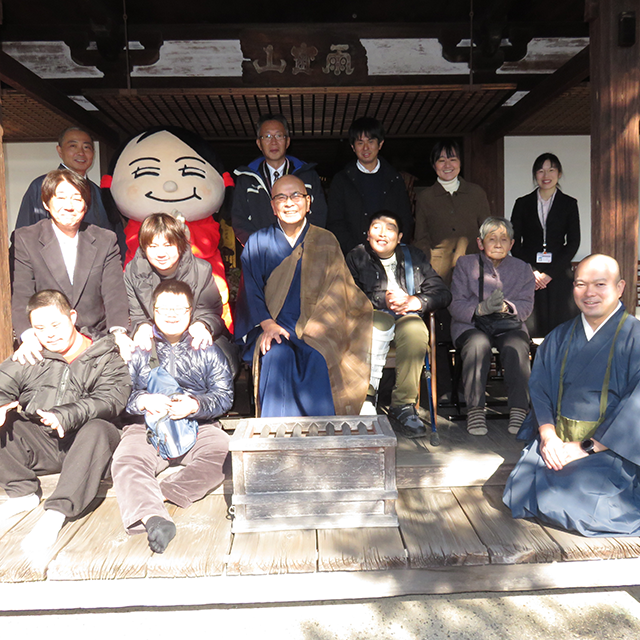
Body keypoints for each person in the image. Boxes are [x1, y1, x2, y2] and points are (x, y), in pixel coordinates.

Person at [503, 254, 640, 537]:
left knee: (576, 502)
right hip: (560, 442)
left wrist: (585, 447)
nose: (589, 293)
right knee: (522, 487)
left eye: (600, 284)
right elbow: (540, 388)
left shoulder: (635, 338)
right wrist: (548, 437)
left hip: (613, 449)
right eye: (580, 284)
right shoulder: (559, 336)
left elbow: (634, 409)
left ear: (620, 287)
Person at [0, 290, 130, 553]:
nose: (49, 334)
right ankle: (22, 492)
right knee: (6, 420)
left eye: (55, 325)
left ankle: (56, 513)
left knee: (99, 428)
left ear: (72, 317)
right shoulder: (32, 355)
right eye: (39, 328)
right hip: (45, 443)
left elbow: (111, 399)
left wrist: (65, 414)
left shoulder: (104, 355)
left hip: (87, 448)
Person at [235, 174, 372, 417]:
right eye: (281, 198)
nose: (289, 203)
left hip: (318, 326)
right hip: (272, 324)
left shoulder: (326, 241)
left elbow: (338, 293)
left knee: (318, 356)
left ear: (308, 203)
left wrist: (318, 328)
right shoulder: (258, 242)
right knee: (277, 355)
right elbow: (251, 291)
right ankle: (275, 434)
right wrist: (268, 325)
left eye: (296, 196)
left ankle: (321, 434)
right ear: (273, 207)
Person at [112, 280, 232, 554]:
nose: (171, 314)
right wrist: (143, 401)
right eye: (164, 308)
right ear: (153, 311)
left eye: (179, 308)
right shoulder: (139, 350)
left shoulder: (207, 348)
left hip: (198, 425)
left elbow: (224, 396)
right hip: (147, 426)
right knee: (126, 461)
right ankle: (153, 519)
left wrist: (195, 405)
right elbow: (118, 395)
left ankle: (164, 493)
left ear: (191, 311)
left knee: (225, 453)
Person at [346, 211, 451, 437]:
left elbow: (442, 293)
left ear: (400, 237)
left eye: (390, 229)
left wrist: (416, 301)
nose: (382, 233)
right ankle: (366, 396)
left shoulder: (414, 257)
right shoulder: (356, 256)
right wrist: (381, 299)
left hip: (406, 316)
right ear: (368, 234)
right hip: (372, 316)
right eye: (376, 227)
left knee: (415, 330)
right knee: (380, 321)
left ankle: (403, 405)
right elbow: (347, 295)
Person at [12, 169, 132, 364]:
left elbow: (114, 291)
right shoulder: (27, 239)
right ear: (46, 203)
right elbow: (22, 293)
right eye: (60, 198)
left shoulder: (105, 239)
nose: (69, 206)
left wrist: (119, 333)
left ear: (86, 205)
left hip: (95, 339)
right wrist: (28, 336)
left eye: (77, 199)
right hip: (47, 342)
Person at [449, 217, 535, 436]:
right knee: (478, 344)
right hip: (471, 324)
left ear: (512, 244)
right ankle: (475, 410)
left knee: (517, 346)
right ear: (480, 243)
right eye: (492, 239)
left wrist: (507, 307)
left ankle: (519, 409)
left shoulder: (522, 268)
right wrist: (480, 309)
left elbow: (526, 306)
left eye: (504, 239)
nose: (498, 244)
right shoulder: (465, 264)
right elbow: (455, 303)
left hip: (508, 325)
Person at [124, 213, 238, 375]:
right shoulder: (133, 271)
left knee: (218, 361)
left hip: (193, 332)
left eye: (168, 245)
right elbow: (134, 312)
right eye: (153, 246)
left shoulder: (201, 270)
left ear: (180, 244)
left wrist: (202, 324)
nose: (161, 253)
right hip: (155, 336)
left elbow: (211, 311)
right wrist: (141, 326)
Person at [14, 127, 126, 258]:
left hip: (98, 267)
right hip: (52, 265)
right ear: (60, 151)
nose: (81, 152)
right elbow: (25, 236)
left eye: (86, 147)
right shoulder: (41, 186)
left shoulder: (101, 194)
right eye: (73, 146)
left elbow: (116, 239)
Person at [511, 152, 580, 338]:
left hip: (558, 272)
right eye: (541, 171)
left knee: (561, 327)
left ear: (559, 173)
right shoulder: (522, 203)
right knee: (531, 328)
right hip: (529, 273)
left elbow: (573, 242)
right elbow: (514, 242)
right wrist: (531, 271)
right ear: (535, 175)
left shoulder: (569, 204)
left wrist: (550, 274)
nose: (546, 175)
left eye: (551, 170)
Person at [231, 114, 327, 245]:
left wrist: (302, 245)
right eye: (267, 136)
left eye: (279, 136)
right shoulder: (246, 179)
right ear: (259, 143)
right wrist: (260, 246)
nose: (273, 142)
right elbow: (239, 220)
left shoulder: (308, 175)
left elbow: (319, 214)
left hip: (303, 250)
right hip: (261, 252)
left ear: (287, 141)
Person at [327, 117, 413, 255]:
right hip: (353, 257)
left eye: (371, 141)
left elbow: (405, 219)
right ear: (353, 147)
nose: (366, 148)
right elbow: (335, 222)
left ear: (380, 144)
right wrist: (356, 252)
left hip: (391, 255)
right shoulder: (341, 180)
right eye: (360, 143)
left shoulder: (394, 179)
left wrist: (393, 250)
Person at [413, 140, 491, 285]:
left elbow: (487, 231)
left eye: (453, 159)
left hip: (473, 268)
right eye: (441, 160)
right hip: (437, 271)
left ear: (460, 162)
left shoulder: (476, 193)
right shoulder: (425, 197)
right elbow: (421, 237)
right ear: (434, 165)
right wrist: (426, 267)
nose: (447, 165)